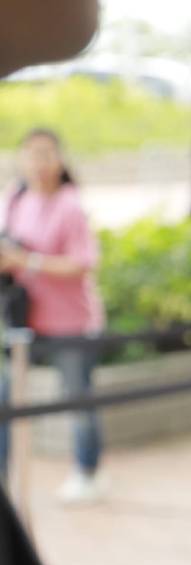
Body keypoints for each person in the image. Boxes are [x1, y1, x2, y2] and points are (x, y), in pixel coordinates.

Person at [0, 129, 106, 504]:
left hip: (70, 323)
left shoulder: (70, 206)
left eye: (46, 154)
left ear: (60, 160)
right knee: (5, 398)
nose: (38, 163)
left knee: (77, 400)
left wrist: (27, 261)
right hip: (24, 321)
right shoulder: (15, 198)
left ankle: (87, 471)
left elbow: (83, 263)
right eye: (31, 154)